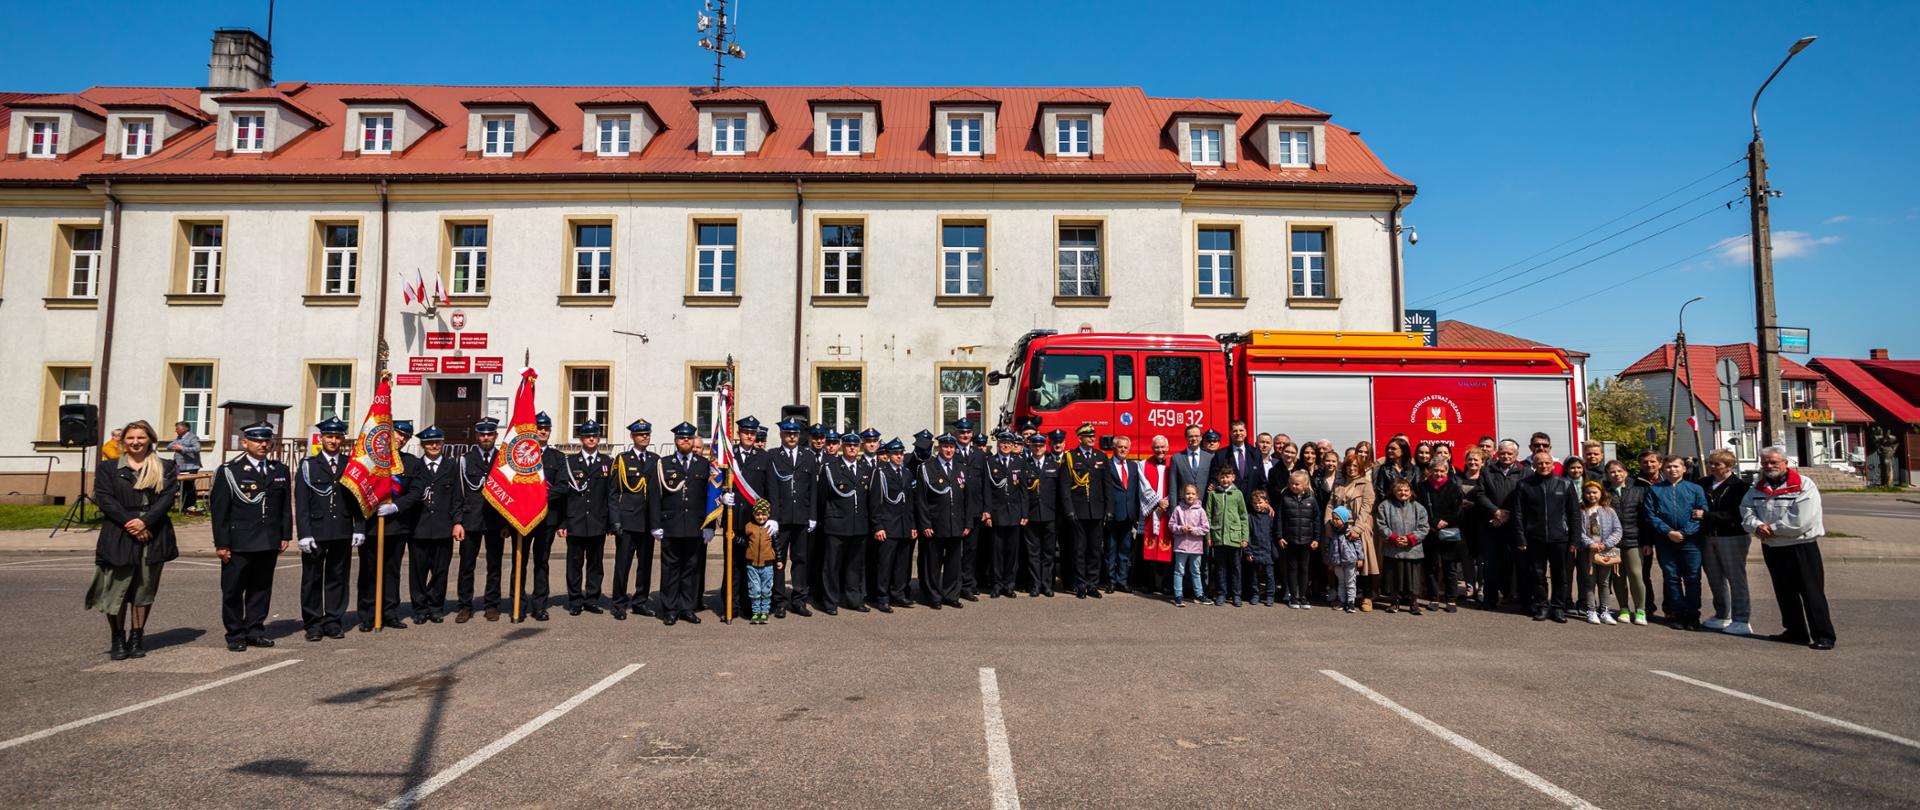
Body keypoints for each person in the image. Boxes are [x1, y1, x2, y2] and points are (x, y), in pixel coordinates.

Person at [88, 420, 178, 660]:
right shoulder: (108, 468)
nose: (136, 442)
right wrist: (131, 523)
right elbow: (104, 498)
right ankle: (117, 637)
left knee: (143, 588)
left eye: (141, 437)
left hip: (153, 532)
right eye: (130, 438)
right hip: (118, 532)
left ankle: (137, 636)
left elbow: (167, 499)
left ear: (150, 439)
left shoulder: (165, 466)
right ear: (122, 441)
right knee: (117, 588)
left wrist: (145, 521)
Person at [1741, 446, 1836, 650]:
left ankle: (1823, 635)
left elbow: (1802, 520)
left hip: (1801, 546)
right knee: (1784, 591)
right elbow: (1746, 510)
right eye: (1765, 462)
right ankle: (1795, 631)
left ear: (1785, 463)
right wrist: (1757, 526)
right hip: (1773, 547)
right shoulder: (1757, 487)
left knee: (1811, 592)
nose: (1769, 466)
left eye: (1774, 462)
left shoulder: (1803, 484)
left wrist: (1771, 528)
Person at [211, 421, 290, 652]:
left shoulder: (279, 470)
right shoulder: (230, 471)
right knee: (233, 589)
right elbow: (220, 510)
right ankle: (235, 633)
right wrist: (222, 543)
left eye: (267, 440)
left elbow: (284, 507)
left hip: (268, 539)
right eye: (257, 440)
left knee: (261, 588)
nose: (263, 445)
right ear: (245, 442)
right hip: (239, 541)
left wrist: (285, 534)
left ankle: (255, 630)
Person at [293, 418, 363, 641]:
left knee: (338, 577)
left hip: (342, 530)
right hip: (316, 530)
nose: (333, 440)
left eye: (337, 437)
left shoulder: (351, 464)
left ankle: (333, 620)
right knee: (312, 579)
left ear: (343, 439)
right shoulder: (308, 465)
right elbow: (302, 503)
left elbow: (357, 500)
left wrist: (359, 527)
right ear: (321, 438)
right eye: (329, 436)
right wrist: (303, 534)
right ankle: (313, 623)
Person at [651, 422, 712, 626]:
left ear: (693, 440)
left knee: (691, 569)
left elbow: (709, 497)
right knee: (670, 569)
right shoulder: (663, 463)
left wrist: (711, 525)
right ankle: (670, 609)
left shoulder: (703, 464)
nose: (685, 441)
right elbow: (654, 496)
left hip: (695, 526)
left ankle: (687, 608)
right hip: (671, 525)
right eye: (681, 438)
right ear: (676, 441)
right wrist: (656, 524)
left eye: (688, 438)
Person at [403, 426, 464, 623]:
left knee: (440, 571)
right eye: (429, 442)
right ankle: (420, 608)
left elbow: (456, 497)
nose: (434, 445)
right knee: (418, 572)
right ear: (422, 445)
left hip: (442, 527)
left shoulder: (451, 466)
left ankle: (436, 606)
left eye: (437, 442)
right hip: (418, 527)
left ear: (443, 443)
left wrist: (457, 522)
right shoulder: (414, 466)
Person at [1514, 450, 1581, 622]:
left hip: (1560, 538)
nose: (1543, 466)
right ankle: (1542, 606)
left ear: (1553, 465)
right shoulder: (1524, 485)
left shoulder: (1565, 484)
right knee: (1537, 574)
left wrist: (1574, 539)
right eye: (1539, 463)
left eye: (1546, 463)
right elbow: (1519, 514)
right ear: (1533, 466)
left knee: (1560, 575)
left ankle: (1558, 607)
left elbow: (1574, 514)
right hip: (1534, 538)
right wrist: (1521, 537)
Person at [1644, 454, 1708, 631]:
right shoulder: (1655, 490)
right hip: (1665, 541)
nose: (1672, 470)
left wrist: (1684, 533)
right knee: (1671, 578)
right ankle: (1678, 614)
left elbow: (1701, 512)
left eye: (1676, 466)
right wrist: (1668, 532)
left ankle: (1693, 616)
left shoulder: (1695, 489)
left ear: (1684, 469)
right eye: (1668, 467)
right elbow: (1650, 515)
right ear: (1663, 470)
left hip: (1691, 541)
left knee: (1693, 578)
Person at [361, 420, 415, 630]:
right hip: (373, 524)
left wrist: (397, 506)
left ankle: (390, 613)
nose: (401, 439)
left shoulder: (410, 462)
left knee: (392, 572)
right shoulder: (370, 460)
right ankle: (367, 615)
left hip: (397, 525)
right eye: (398, 434)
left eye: (405, 437)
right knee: (369, 571)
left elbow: (415, 492)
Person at [761, 418, 816, 618]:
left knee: (800, 559)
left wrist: (812, 516)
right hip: (781, 519)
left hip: (801, 517)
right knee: (779, 560)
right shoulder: (773, 456)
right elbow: (771, 488)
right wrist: (773, 516)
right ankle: (780, 601)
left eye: (795, 433)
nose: (792, 437)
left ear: (799, 435)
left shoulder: (808, 456)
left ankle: (799, 600)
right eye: (787, 433)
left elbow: (812, 489)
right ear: (782, 435)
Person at [556, 421, 610, 617]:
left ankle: (592, 599)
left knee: (596, 563)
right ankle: (575, 599)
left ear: (599, 438)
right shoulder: (569, 463)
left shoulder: (607, 463)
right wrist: (562, 523)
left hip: (597, 521)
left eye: (595, 435)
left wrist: (611, 522)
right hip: (575, 521)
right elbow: (564, 495)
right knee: (575, 562)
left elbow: (609, 495)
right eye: (588, 436)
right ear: (581, 439)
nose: (591, 438)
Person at [453, 418, 505, 623]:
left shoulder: (503, 460)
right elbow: (459, 493)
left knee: (495, 565)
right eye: (482, 434)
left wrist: (506, 524)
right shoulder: (465, 459)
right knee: (467, 566)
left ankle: (491, 604)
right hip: (470, 520)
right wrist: (457, 521)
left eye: (489, 434)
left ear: (495, 436)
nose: (486, 438)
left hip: (495, 522)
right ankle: (465, 606)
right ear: (476, 436)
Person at [1697, 449, 1753, 635]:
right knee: (1714, 577)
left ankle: (1742, 618)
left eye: (1717, 464)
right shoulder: (1703, 483)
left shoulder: (1740, 486)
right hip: (1707, 536)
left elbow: (1737, 515)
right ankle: (1722, 614)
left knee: (1736, 578)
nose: (1712, 467)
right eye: (1710, 463)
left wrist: (1707, 515)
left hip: (1732, 536)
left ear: (1729, 466)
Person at [607, 420, 657, 620]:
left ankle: (640, 601)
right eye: (640, 434)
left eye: (647, 434)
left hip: (648, 521)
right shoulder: (622, 460)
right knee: (623, 564)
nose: (644, 437)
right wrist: (615, 520)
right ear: (632, 437)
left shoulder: (655, 459)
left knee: (645, 565)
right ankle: (619, 602)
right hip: (627, 521)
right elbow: (613, 493)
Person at [818, 433, 872, 614]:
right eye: (848, 445)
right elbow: (822, 497)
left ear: (860, 448)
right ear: (842, 447)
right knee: (832, 566)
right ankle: (830, 602)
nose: (852, 448)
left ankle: (854, 599)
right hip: (836, 525)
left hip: (859, 526)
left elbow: (869, 499)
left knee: (855, 566)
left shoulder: (865, 468)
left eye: (855, 446)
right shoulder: (831, 467)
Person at [916, 434, 971, 609]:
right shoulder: (927, 468)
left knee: (954, 563)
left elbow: (968, 499)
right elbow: (921, 500)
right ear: (939, 448)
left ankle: (951, 594)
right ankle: (933, 596)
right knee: (933, 562)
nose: (949, 450)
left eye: (952, 447)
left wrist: (968, 523)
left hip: (956, 523)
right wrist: (925, 524)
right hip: (935, 523)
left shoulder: (961, 468)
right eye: (945, 447)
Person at [1327, 451, 1378, 611]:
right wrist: (1328, 524)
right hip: (1338, 528)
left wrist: (1357, 528)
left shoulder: (1366, 484)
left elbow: (1366, 508)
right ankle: (1343, 598)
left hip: (1359, 527)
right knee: (1341, 564)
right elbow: (1330, 505)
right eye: (1349, 465)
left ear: (1360, 467)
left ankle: (1367, 597)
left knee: (1364, 564)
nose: (1352, 468)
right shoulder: (1339, 483)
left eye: (1355, 466)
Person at [978, 432, 1027, 599]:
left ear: (1013, 445)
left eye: (1008, 442)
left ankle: (1009, 584)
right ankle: (997, 584)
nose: (1005, 445)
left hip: (1014, 513)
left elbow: (1023, 491)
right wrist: (988, 513)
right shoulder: (990, 462)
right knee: (996, 552)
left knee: (1012, 553)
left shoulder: (1019, 462)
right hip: (997, 513)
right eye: (1003, 442)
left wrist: (1024, 513)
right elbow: (986, 490)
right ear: (998, 444)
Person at [1062, 424, 1107, 599]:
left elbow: (1106, 486)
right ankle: (1081, 584)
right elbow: (1065, 488)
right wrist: (1069, 510)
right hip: (1078, 511)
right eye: (1088, 436)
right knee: (1079, 550)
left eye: (1093, 436)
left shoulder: (1101, 456)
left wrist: (1108, 509)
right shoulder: (1071, 457)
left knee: (1095, 550)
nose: (1091, 438)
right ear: (1080, 438)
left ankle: (1092, 584)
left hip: (1096, 511)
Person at [1603, 460, 1651, 625]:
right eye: (1612, 472)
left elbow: (1646, 519)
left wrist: (1647, 542)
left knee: (1636, 575)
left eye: (1619, 471)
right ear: (1607, 475)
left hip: (1634, 540)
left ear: (1626, 472)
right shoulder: (1604, 493)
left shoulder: (1639, 491)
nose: (1616, 474)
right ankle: (1623, 608)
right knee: (1618, 577)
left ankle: (1640, 610)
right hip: (1612, 542)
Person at [869, 439, 914, 612]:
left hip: (903, 526)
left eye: (901, 453)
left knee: (901, 564)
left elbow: (910, 502)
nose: (899, 456)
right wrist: (878, 526)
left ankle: (899, 593)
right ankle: (882, 597)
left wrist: (912, 526)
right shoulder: (880, 473)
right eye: (896, 453)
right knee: (885, 564)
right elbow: (875, 503)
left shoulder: (907, 473)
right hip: (887, 526)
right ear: (887, 455)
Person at [1416, 459, 1466, 613]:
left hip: (1449, 532)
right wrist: (1433, 523)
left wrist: (1446, 522)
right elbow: (1418, 509)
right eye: (1435, 470)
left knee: (1449, 567)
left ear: (1447, 471)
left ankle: (1451, 599)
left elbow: (1459, 511)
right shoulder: (1421, 488)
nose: (1438, 473)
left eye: (1442, 471)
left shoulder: (1454, 488)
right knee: (1431, 567)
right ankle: (1433, 598)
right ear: (1430, 471)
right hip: (1429, 531)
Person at [1374, 478, 1429, 614]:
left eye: (1406, 490)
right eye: (1399, 490)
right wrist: (1394, 538)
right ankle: (1394, 602)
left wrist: (1410, 539)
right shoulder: (1385, 506)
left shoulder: (1418, 507)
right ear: (1393, 491)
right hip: (1393, 548)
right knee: (1394, 576)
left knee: (1413, 578)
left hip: (1413, 549)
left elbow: (1424, 527)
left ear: (1411, 492)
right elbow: (1381, 525)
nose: (1402, 493)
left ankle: (1414, 603)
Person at [1022, 432, 1064, 598]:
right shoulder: (1025, 465)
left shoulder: (1053, 464)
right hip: (1031, 516)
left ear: (1045, 446)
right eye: (1034, 446)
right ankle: (1035, 585)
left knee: (1048, 553)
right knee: (1033, 553)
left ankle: (1047, 585)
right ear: (1030, 447)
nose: (1038, 448)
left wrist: (1059, 515)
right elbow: (1023, 493)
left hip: (1050, 515)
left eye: (1040, 446)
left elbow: (1060, 493)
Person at [1577, 480, 1622, 625]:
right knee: (1589, 582)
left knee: (1604, 582)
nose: (1591, 495)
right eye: (1588, 492)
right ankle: (1591, 610)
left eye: (1595, 492)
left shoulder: (1609, 511)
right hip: (1587, 552)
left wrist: (1606, 544)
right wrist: (1590, 543)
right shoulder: (1581, 511)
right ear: (1584, 494)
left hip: (1605, 552)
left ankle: (1605, 611)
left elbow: (1617, 530)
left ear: (1601, 493)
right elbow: (1578, 531)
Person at [1103, 434, 1143, 594]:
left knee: (1125, 550)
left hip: (1129, 514)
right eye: (1120, 447)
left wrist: (1138, 513)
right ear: (1114, 448)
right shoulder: (1107, 465)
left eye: (1126, 447)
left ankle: (1122, 581)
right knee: (1110, 550)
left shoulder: (1134, 467)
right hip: (1113, 514)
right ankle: (1110, 581)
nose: (1123, 450)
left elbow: (1137, 491)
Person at [1276, 471, 1320, 609]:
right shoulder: (1285, 498)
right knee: (1292, 568)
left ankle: (1303, 596)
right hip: (1290, 540)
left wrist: (1316, 538)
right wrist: (1280, 536)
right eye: (1292, 484)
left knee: (1304, 569)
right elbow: (1279, 518)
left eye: (1297, 484)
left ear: (1305, 485)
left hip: (1306, 541)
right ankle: (1293, 596)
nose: (1294, 486)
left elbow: (1317, 519)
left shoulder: (1312, 500)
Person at [1205, 465, 1247, 607]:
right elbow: (1208, 516)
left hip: (1234, 537)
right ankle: (1221, 593)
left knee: (1235, 567)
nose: (1225, 479)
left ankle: (1236, 594)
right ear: (1218, 478)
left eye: (1228, 476)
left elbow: (1243, 516)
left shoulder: (1238, 494)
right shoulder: (1213, 494)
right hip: (1218, 537)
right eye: (1222, 476)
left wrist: (1244, 537)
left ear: (1233, 478)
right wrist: (1208, 536)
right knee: (1220, 567)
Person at [1138, 434, 1174, 596]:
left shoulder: (1174, 463)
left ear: (1167, 448)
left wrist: (1167, 501)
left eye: (1162, 447)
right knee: (1150, 546)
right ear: (1152, 448)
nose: (1160, 450)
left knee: (1167, 547)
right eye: (1156, 447)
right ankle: (1150, 584)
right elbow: (1144, 487)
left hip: (1169, 511)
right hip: (1152, 511)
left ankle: (1166, 584)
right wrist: (1158, 502)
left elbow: (1177, 485)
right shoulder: (1143, 464)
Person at [1634, 449, 1665, 616]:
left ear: (1660, 463)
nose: (1649, 464)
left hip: (1665, 532)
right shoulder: (1633, 483)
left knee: (1670, 572)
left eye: (1653, 461)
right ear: (1640, 464)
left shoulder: (1668, 480)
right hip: (1643, 533)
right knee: (1643, 574)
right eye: (1645, 462)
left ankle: (1670, 609)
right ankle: (1647, 607)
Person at [1167, 484, 1208, 607]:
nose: (1190, 496)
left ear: (1197, 496)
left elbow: (1205, 528)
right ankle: (1178, 595)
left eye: (1193, 494)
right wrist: (1180, 528)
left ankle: (1199, 594)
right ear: (1183, 495)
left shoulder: (1201, 511)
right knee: (1179, 571)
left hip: (1196, 547)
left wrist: (1194, 530)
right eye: (1188, 493)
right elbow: (1171, 525)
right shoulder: (1178, 509)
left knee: (1196, 571)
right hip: (1181, 546)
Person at [1324, 493, 1364, 614]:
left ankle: (1351, 602)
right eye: (1333, 518)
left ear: (1344, 519)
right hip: (1337, 561)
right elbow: (1329, 547)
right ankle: (1342, 600)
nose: (1335, 521)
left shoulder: (1349, 532)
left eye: (1337, 519)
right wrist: (1330, 561)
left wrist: (1360, 558)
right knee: (1340, 582)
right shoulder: (1332, 533)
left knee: (1350, 582)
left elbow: (1358, 545)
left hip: (1350, 561)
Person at [742, 500, 778, 624]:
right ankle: (756, 612)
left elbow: (777, 545)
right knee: (755, 589)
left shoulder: (770, 528)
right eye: (757, 514)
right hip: (752, 565)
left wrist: (779, 559)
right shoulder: (749, 527)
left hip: (767, 564)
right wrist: (734, 538)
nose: (760, 517)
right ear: (753, 514)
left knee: (766, 589)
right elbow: (744, 542)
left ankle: (764, 612)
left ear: (768, 514)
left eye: (763, 514)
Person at [1168, 425, 1214, 512]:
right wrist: (1173, 510)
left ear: (1201, 437)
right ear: (1186, 438)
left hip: (1204, 506)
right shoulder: (1176, 458)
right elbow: (1173, 487)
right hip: (1183, 508)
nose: (1194, 439)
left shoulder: (1210, 458)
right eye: (1190, 436)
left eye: (1196, 436)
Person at [1245, 489, 1278, 607]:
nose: (1258, 505)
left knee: (1269, 575)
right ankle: (1255, 594)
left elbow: (1274, 534)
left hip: (1268, 551)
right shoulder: (1249, 517)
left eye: (1260, 503)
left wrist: (1274, 550)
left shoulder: (1270, 517)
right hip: (1254, 550)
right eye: (1255, 503)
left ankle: (1270, 595)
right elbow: (1247, 535)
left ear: (1266, 503)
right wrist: (1247, 551)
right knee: (1254, 576)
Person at [167, 421, 203, 515]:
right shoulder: (178, 438)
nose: (175, 430)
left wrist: (182, 448)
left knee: (189, 487)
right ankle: (183, 508)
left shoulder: (192, 437)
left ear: (185, 428)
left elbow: (197, 449)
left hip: (190, 467)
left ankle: (190, 508)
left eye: (177, 428)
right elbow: (169, 446)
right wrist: (174, 446)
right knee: (181, 487)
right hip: (178, 466)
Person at [1373, 437, 1417, 502]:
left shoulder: (1414, 469)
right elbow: (1380, 490)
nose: (1389, 451)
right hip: (1390, 507)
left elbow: (1417, 490)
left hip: (1410, 506)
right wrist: (1389, 505)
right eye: (1388, 448)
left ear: (1403, 451)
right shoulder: (1384, 469)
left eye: (1393, 449)